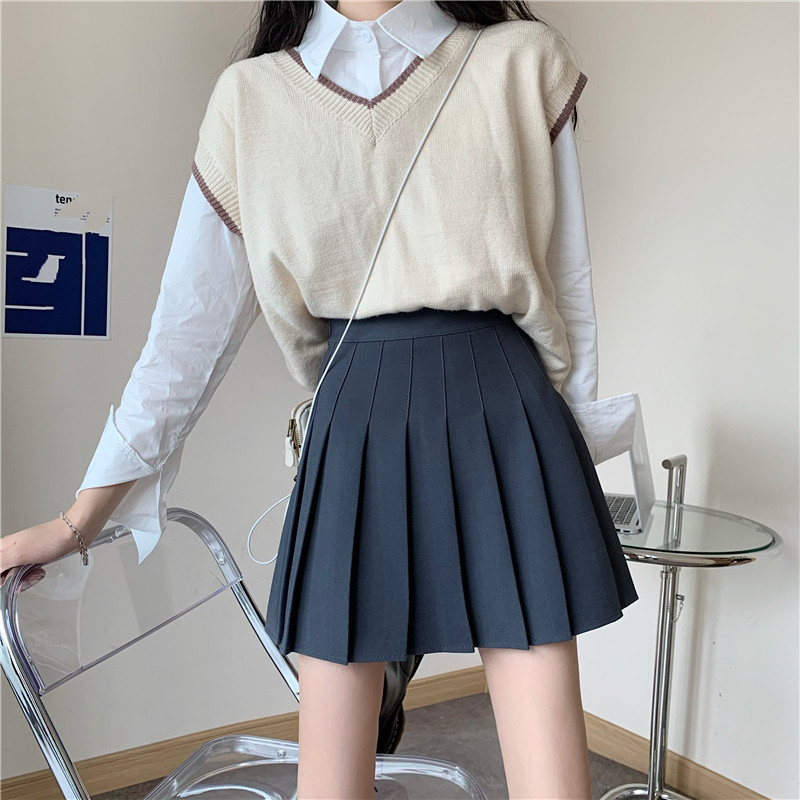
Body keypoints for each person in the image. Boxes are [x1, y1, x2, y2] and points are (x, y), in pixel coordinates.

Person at [0, 1, 639, 797]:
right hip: (356, 432)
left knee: (555, 788)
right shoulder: (251, 100)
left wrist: (566, 482)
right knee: (329, 785)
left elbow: (569, 294)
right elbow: (186, 337)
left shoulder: (520, 61)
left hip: (506, 417)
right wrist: (80, 520)